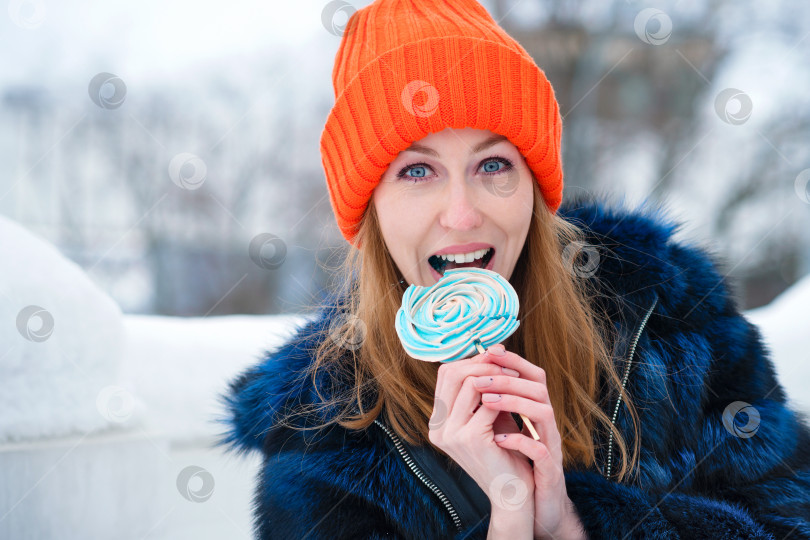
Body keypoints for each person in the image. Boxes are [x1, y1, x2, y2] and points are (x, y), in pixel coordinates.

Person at [217, 0, 810, 538]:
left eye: (494, 163)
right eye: (417, 171)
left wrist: (577, 522)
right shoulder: (318, 437)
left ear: (533, 185)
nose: (462, 213)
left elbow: (789, 518)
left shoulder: (672, 321)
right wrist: (507, 517)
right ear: (369, 208)